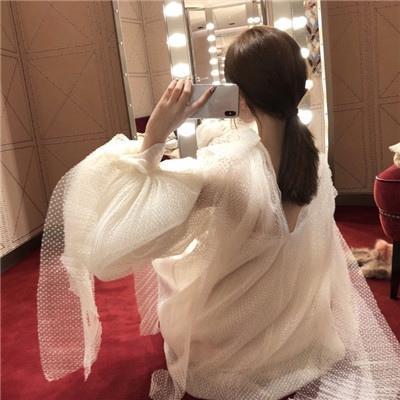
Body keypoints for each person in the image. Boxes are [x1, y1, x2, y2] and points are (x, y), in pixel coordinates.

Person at [37, 26, 400, 400]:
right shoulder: (315, 161)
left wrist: (155, 135)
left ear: (238, 94)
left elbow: (113, 243)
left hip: (234, 350)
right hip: (301, 334)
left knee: (172, 262)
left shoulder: (225, 169)